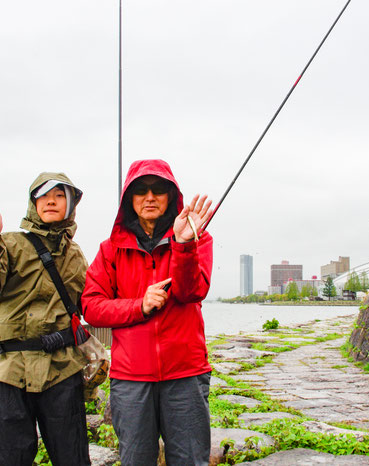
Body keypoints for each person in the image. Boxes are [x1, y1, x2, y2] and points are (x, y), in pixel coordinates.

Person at [82, 159, 213, 465]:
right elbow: (90, 306)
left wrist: (182, 244)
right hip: (131, 379)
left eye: (158, 190)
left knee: (190, 459)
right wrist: (138, 305)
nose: (150, 197)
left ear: (171, 196)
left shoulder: (198, 238)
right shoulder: (110, 250)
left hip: (186, 374)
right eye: (140, 190)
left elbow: (192, 291)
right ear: (130, 198)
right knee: (135, 460)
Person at [0, 172, 90, 466]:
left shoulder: (75, 254)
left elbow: (91, 302)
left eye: (60, 196)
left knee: (72, 457)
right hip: (11, 371)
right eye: (43, 195)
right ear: (33, 203)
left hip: (62, 368)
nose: (51, 201)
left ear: (71, 204)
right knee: (11, 458)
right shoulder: (8, 244)